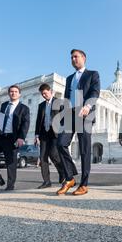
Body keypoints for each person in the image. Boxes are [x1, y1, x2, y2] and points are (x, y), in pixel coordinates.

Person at [56, 49, 100, 196]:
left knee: (84, 149)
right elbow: (67, 97)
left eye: (76, 56)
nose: (73, 59)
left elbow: (95, 91)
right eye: (71, 57)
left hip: (85, 113)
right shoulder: (69, 78)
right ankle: (69, 178)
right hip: (70, 114)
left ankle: (84, 184)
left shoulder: (92, 74)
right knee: (60, 143)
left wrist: (88, 106)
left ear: (84, 58)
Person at [0, 85, 30, 192]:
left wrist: (21, 138)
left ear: (19, 94)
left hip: (12, 138)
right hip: (0, 136)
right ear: (9, 93)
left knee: (11, 163)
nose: (13, 93)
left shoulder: (24, 108)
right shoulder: (4, 105)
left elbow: (25, 124)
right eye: (11, 91)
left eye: (15, 91)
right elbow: (2, 120)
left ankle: (10, 186)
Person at [34, 83, 67, 189]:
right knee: (43, 157)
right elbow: (38, 121)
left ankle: (63, 173)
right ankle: (46, 181)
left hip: (55, 133)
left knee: (54, 155)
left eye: (45, 93)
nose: (44, 95)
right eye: (42, 94)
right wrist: (36, 135)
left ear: (51, 91)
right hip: (44, 133)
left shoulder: (59, 102)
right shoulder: (41, 105)